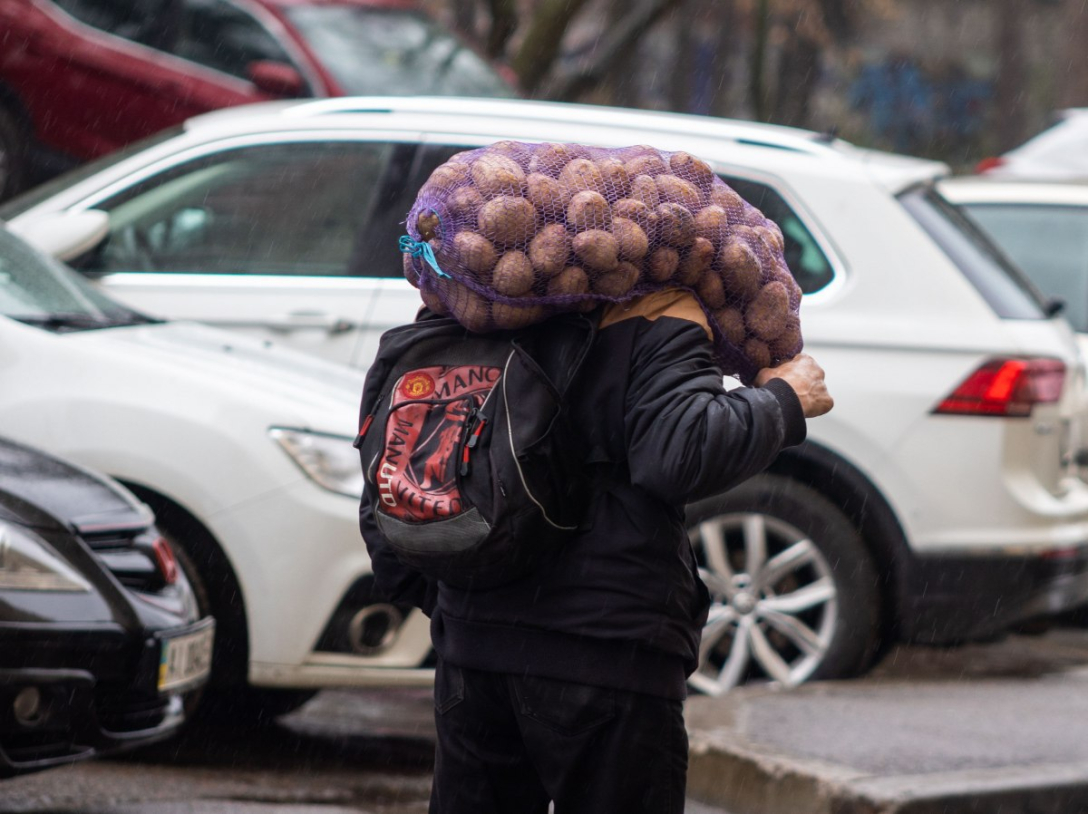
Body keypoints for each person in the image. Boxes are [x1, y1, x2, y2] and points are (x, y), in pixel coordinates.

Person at [359, 287, 833, 814]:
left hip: (474, 654)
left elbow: (387, 478)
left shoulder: (465, 307)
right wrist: (783, 401)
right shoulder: (655, 310)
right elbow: (678, 454)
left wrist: (457, 602)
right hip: (608, 650)